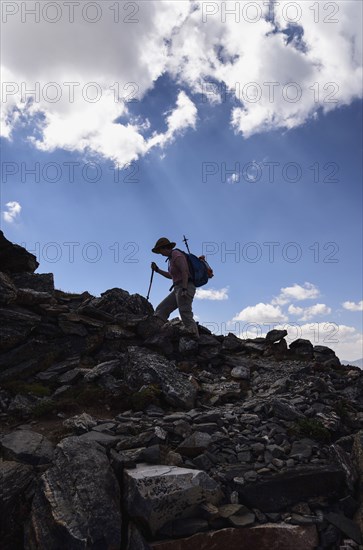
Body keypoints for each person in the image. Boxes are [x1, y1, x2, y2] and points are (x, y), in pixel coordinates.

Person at [150, 237, 199, 338]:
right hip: (178, 288)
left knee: (185, 313)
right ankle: (158, 333)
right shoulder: (171, 258)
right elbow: (171, 276)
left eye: (160, 251)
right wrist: (157, 270)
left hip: (185, 286)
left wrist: (184, 289)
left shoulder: (177, 255)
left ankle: (194, 339)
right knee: (161, 309)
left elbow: (185, 271)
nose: (160, 253)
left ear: (164, 248)